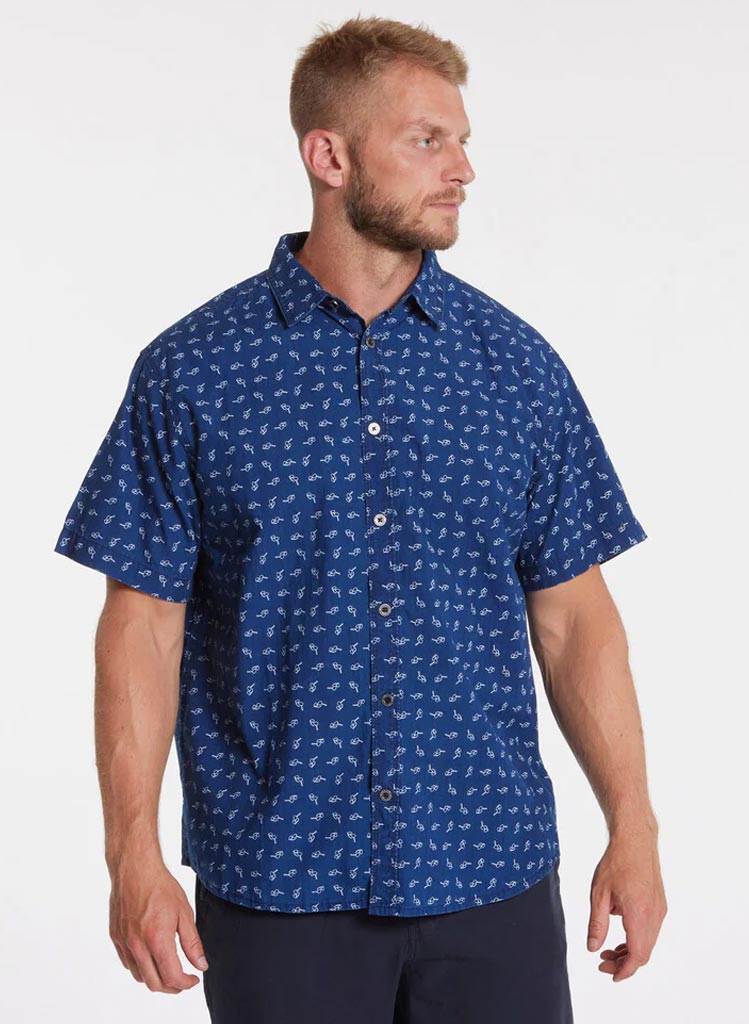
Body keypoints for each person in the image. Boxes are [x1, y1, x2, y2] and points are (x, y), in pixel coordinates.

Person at [53, 14, 666, 1024]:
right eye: (427, 140)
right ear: (328, 156)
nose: (462, 169)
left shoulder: (516, 370)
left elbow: (574, 617)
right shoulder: (193, 372)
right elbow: (142, 624)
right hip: (278, 883)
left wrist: (633, 827)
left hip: (490, 873)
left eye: (461, 140)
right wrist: (132, 855)